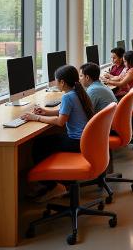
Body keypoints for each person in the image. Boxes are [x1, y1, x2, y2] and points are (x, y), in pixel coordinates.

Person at [22, 65, 94, 201]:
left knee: (39, 144)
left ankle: (53, 185)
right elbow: (64, 111)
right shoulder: (78, 92)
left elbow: (60, 121)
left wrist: (36, 117)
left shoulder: (68, 97)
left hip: (76, 142)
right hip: (84, 140)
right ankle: (56, 182)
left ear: (62, 82)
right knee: (47, 141)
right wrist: (46, 112)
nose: (55, 83)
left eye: (56, 80)